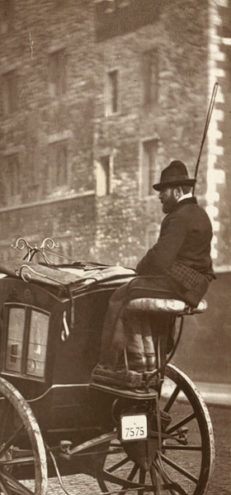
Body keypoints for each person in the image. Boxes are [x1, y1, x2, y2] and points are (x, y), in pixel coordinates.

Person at [92, 160, 214, 387]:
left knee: (121, 294)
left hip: (180, 284)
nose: (159, 196)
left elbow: (160, 258)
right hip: (194, 284)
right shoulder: (200, 214)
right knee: (139, 299)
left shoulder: (178, 217)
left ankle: (108, 365)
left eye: (163, 192)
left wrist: (138, 269)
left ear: (177, 191)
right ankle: (152, 361)